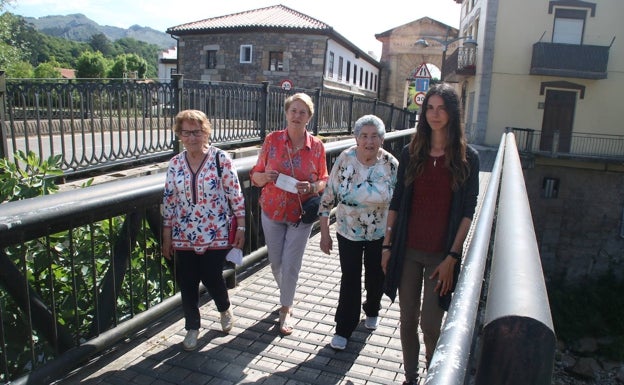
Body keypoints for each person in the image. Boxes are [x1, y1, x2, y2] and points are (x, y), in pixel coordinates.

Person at [381, 83, 480, 384]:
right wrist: (387, 244)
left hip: (441, 254)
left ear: (452, 113)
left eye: (441, 108)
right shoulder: (412, 153)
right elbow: (397, 201)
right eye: (430, 108)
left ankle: (433, 370)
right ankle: (411, 378)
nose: (435, 114)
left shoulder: (467, 157)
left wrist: (452, 256)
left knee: (431, 324)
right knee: (407, 319)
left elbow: (467, 211)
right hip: (408, 250)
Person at [162, 109, 246, 351]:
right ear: (179, 135)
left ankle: (224, 308)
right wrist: (167, 234)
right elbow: (169, 200)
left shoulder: (221, 159)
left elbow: (235, 194)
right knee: (186, 281)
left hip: (215, 230)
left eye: (197, 132)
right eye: (186, 132)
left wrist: (241, 225)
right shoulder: (175, 164)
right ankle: (192, 327)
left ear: (206, 132)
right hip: (183, 232)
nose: (192, 137)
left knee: (211, 276)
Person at [250, 92, 328, 335]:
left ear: (309, 118)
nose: (297, 115)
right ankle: (288, 293)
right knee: (276, 263)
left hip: (300, 214)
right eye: (293, 111)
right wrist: (265, 177)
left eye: (302, 112)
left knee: (291, 264)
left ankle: (286, 309)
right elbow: (255, 175)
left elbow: (324, 179)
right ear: (286, 113)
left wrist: (312, 187)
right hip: (272, 209)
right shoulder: (272, 141)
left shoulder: (316, 147)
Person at [318, 114, 398, 351]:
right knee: (350, 277)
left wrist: (393, 237)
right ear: (356, 138)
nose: (369, 141)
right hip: (347, 230)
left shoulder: (391, 164)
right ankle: (344, 328)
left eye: (374, 136)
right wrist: (324, 232)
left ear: (382, 139)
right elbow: (329, 196)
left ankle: (372, 308)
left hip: (380, 232)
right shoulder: (345, 159)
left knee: (376, 275)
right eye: (364, 136)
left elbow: (400, 203)